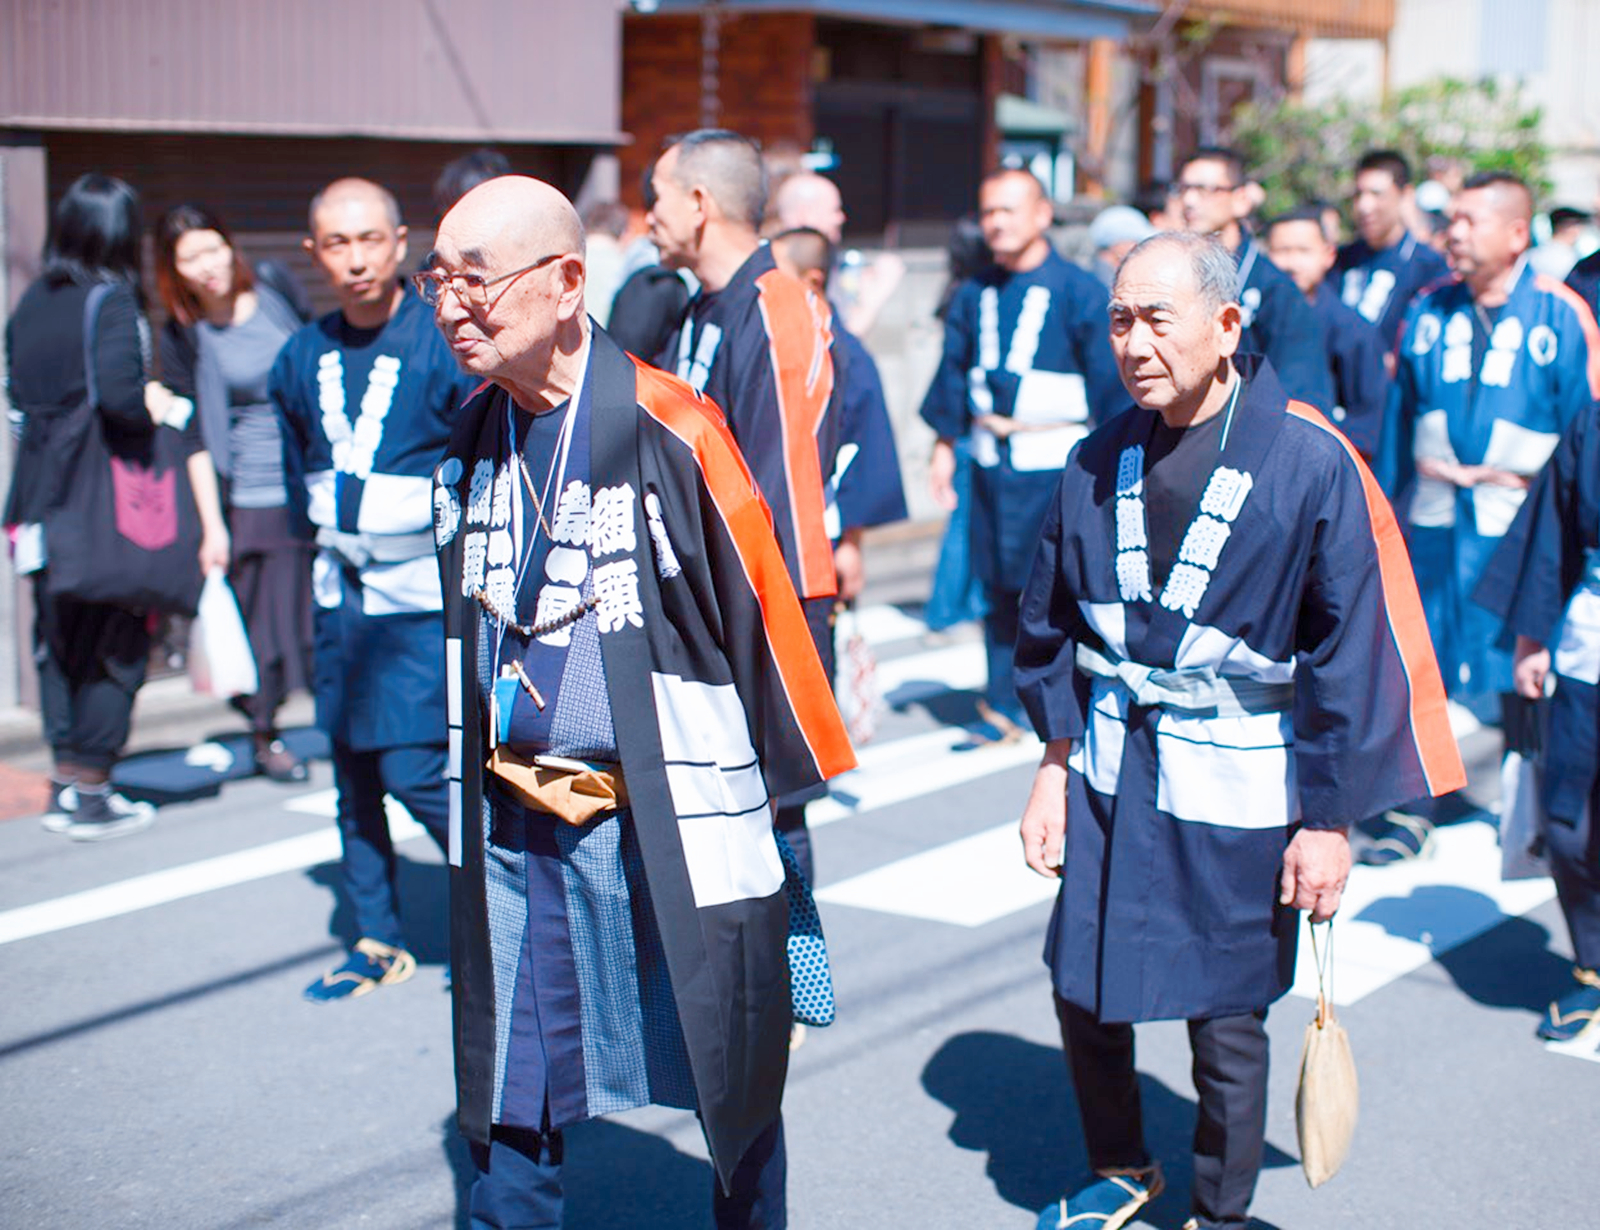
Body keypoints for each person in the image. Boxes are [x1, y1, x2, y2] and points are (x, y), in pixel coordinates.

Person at [422, 174, 855, 1229]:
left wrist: (782, 835)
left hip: (666, 818)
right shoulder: (474, 430)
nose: (450, 307)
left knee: (730, 1062)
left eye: (476, 281)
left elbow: (767, 621)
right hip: (519, 825)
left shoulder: (673, 426)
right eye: (437, 281)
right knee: (510, 1084)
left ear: (568, 282)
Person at [1014, 231, 1464, 1230]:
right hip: (1109, 761)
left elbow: (1349, 656)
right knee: (1081, 983)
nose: (1132, 343)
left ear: (1226, 325)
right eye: (1119, 320)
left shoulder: (1308, 460)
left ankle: (1220, 1211)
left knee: (1226, 1017)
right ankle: (1121, 1164)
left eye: (1155, 319)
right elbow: (1044, 624)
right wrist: (1048, 766)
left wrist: (1328, 820)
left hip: (1238, 772)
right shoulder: (1097, 455)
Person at [272, 178, 480, 1000]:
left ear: (400, 243)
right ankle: (377, 937)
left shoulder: (442, 340)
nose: (354, 259)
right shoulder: (300, 354)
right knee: (352, 772)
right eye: (336, 243)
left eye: (369, 240)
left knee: (414, 768)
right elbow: (298, 469)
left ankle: (507, 909)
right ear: (313, 252)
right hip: (341, 591)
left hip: (421, 596)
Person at [6, 174, 227, 841]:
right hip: (99, 507)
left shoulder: (30, 304)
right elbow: (122, 403)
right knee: (120, 636)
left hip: (36, 500)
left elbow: (19, 401)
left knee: (58, 643)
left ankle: (68, 783)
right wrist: (160, 405)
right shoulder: (110, 301)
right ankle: (94, 788)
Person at [647, 128, 841, 880]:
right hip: (709, 597)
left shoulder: (774, 306)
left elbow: (779, 491)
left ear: (698, 204)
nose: (647, 218)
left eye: (655, 197)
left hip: (767, 601)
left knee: (770, 825)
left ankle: (790, 993)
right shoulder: (701, 309)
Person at [1383, 173, 1600, 813]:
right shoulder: (1427, 308)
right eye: (1450, 218)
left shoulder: (1561, 313)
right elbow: (1402, 417)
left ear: (1514, 233)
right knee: (1421, 650)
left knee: (1520, 657)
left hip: (1522, 514)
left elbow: (1582, 431)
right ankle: (1414, 802)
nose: (1453, 232)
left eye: (1469, 219)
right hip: (1434, 512)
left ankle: (1525, 800)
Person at [920, 168, 1124, 741]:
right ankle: (999, 701)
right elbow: (953, 374)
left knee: (1058, 583)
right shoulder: (974, 291)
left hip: (1057, 460)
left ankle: (1062, 698)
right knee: (995, 583)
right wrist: (943, 448)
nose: (997, 222)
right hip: (990, 459)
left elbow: (1108, 387)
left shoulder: (1081, 290)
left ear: (1041, 214)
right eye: (988, 212)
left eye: (1009, 210)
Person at [155, 204, 313, 781]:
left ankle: (310, 719)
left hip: (310, 479)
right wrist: (213, 526)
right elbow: (194, 435)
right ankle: (264, 732)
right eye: (189, 258)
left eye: (212, 248)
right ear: (172, 269)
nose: (207, 266)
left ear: (230, 245)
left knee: (309, 618)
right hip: (247, 493)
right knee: (263, 624)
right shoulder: (183, 334)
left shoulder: (274, 286)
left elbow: (319, 355)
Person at [1476, 403, 1600, 1042]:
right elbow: (1552, 529)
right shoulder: (1592, 424)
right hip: (1587, 646)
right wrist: (1532, 638)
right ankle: (1590, 966)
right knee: (1568, 825)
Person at [769, 226, 909, 606]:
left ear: (811, 280)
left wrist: (851, 542)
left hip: (820, 529)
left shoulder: (840, 348)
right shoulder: (766, 341)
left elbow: (862, 444)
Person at [1173, 147, 1334, 409]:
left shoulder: (1277, 291)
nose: (1190, 201)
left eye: (1206, 189)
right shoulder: (1175, 277)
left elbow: (1300, 396)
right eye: (1183, 189)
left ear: (1241, 199)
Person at [1263, 206, 1390, 460]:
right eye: (1282, 251)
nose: (1291, 263)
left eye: (1303, 251)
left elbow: (1367, 422)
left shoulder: (1353, 330)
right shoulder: (1253, 320)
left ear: (1329, 255)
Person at [1335, 149, 1451, 353]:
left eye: (1376, 194)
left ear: (1405, 195)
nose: (1364, 206)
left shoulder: (1428, 267)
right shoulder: (1341, 261)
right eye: (1358, 194)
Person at [1087, 205, 1157, 288]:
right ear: (1118, 243)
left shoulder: (1099, 271)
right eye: (1136, 241)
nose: (1141, 247)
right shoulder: (1103, 280)